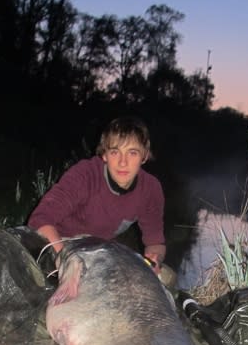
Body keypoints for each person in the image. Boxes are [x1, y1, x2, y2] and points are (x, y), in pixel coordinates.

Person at [27, 116, 169, 274]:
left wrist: (155, 259)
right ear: (104, 154)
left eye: (132, 153)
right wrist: (66, 260)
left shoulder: (150, 189)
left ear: (144, 156)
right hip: (58, 244)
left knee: (165, 276)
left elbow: (156, 242)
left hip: (99, 251)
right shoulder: (85, 175)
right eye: (115, 152)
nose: (123, 162)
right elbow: (39, 220)